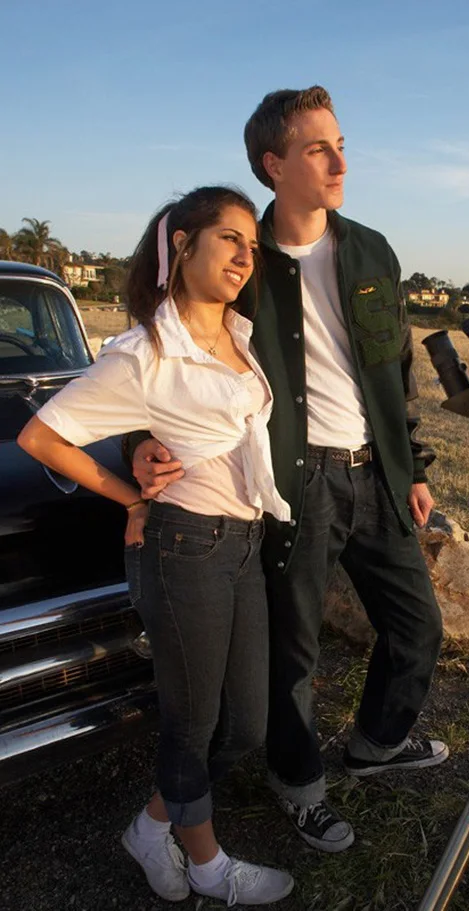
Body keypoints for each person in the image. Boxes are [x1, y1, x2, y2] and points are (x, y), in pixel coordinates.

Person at [130, 86, 447, 854]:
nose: (340, 163)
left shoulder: (371, 250)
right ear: (273, 164)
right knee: (293, 650)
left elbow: (395, 367)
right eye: (317, 149)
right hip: (294, 482)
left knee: (418, 626)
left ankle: (376, 742)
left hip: (377, 474)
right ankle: (299, 784)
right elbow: (172, 344)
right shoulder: (243, 258)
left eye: (341, 145)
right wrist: (139, 438)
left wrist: (412, 464)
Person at [18, 186, 295, 906]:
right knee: (193, 721)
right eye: (229, 238)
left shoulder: (238, 335)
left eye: (252, 245)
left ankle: (151, 826)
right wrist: (131, 496)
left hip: (244, 542)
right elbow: (42, 436)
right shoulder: (144, 353)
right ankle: (208, 866)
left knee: (246, 722)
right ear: (182, 244)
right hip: (184, 548)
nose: (245, 255)